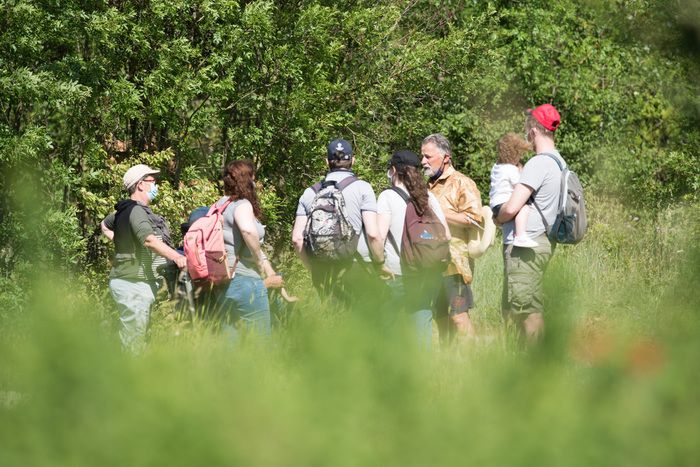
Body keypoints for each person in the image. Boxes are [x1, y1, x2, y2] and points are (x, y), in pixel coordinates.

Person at [496, 103, 565, 342]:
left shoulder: (538, 163)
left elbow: (513, 207)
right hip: (543, 241)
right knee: (529, 306)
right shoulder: (559, 162)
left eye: (527, 127)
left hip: (527, 246)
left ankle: (536, 367)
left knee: (527, 312)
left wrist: (498, 216)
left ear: (534, 130)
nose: (525, 132)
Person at [101, 164, 187, 351]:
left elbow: (104, 225)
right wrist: (178, 258)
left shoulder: (124, 211)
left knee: (137, 339)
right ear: (140, 185)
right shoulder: (137, 210)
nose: (156, 186)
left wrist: (121, 240)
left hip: (134, 283)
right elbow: (149, 240)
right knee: (134, 343)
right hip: (133, 284)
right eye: (153, 182)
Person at [291, 138, 385, 307]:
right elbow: (373, 234)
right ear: (352, 160)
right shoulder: (363, 188)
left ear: (327, 161)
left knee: (330, 324)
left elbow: (297, 239)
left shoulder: (309, 192)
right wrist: (379, 263)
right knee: (361, 327)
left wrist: (312, 268)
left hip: (321, 268)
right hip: (356, 267)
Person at [377, 150, 450, 348]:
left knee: (389, 326)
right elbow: (447, 236)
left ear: (393, 170)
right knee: (421, 322)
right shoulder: (428, 198)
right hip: (426, 272)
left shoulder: (386, 197)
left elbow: (379, 236)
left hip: (397, 273)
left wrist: (378, 264)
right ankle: (423, 372)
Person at [420, 133, 483, 342]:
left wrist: (436, 210)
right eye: (422, 157)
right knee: (439, 317)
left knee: (458, 316)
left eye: (428, 157)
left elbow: (475, 219)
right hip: (430, 262)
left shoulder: (462, 183)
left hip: (455, 263)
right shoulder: (427, 186)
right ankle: (449, 365)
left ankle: (473, 363)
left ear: (445, 157)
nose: (423, 162)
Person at [215, 160, 283, 343]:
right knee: (260, 343)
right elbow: (247, 230)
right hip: (246, 280)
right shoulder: (242, 204)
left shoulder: (220, 204)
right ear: (248, 179)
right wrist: (259, 262)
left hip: (223, 280)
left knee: (229, 343)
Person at [489, 133, 538, 248]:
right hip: (504, 203)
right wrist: (521, 171)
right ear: (514, 154)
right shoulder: (510, 169)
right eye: (519, 154)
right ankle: (521, 236)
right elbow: (520, 185)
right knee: (524, 208)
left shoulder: (497, 166)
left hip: (495, 205)